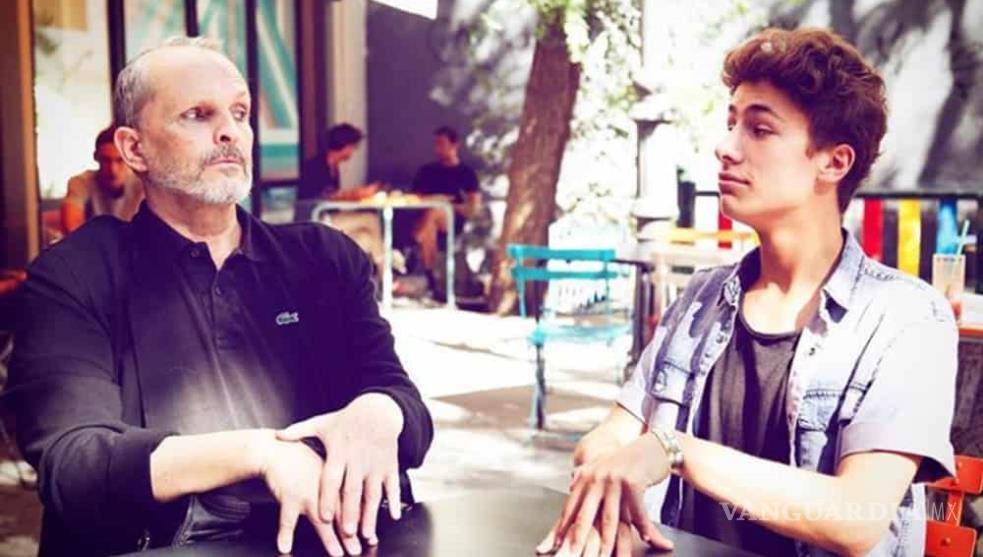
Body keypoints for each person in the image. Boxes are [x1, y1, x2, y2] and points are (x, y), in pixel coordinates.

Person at [537, 28, 957, 557]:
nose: (725, 146)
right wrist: (612, 486)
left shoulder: (906, 318)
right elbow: (609, 439)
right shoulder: (703, 298)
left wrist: (674, 449)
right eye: (731, 123)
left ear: (834, 162)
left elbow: (858, 516)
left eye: (759, 129)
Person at [8, 37, 432, 557]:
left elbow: (407, 411)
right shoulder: (76, 274)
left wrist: (380, 411)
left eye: (240, 112)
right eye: (197, 114)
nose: (230, 131)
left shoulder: (325, 258)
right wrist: (259, 453)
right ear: (134, 149)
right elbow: (75, 463)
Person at [298, 123, 385, 273]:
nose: (352, 152)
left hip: (329, 219)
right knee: (370, 219)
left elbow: (334, 196)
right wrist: (357, 194)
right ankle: (387, 274)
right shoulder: (315, 166)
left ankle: (383, 277)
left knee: (367, 238)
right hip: (316, 221)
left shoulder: (334, 168)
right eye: (352, 147)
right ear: (344, 145)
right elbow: (326, 196)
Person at [409, 126, 480, 275]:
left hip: (452, 219)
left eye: (442, 144)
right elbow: (413, 198)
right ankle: (432, 275)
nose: (437, 148)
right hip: (425, 216)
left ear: (455, 145)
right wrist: (435, 199)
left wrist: (448, 205)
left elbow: (474, 208)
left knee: (436, 211)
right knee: (430, 223)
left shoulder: (467, 173)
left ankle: (419, 242)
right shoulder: (426, 171)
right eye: (436, 144)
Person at [60, 125, 144, 233]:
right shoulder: (82, 182)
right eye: (105, 160)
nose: (113, 170)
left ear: (129, 158)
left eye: (119, 160)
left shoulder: (143, 183)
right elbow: (72, 228)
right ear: (95, 157)